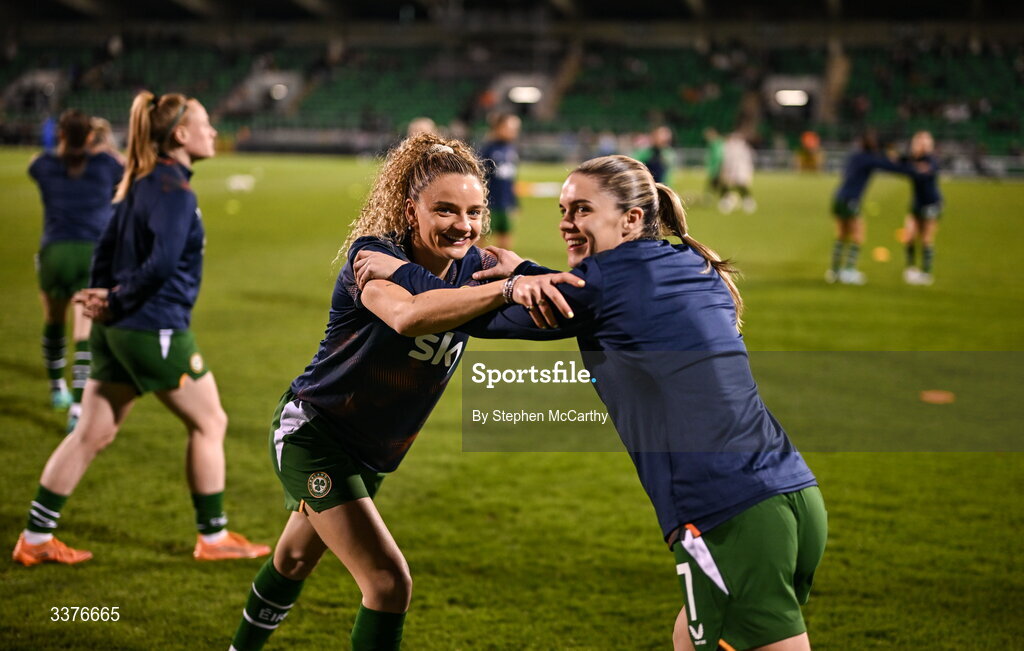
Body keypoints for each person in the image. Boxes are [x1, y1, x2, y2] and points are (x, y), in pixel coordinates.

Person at [357, 155, 826, 651]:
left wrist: (402, 271)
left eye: (582, 210)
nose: (566, 222)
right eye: (564, 209)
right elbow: (588, 293)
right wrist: (528, 272)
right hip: (791, 493)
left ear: (631, 219)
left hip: (726, 511)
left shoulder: (604, 286)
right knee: (690, 638)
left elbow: (480, 316)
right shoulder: (687, 261)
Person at [228, 133, 576, 651]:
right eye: (445, 210)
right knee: (388, 583)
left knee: (294, 560)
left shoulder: (473, 270)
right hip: (316, 433)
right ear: (411, 209)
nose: (464, 225)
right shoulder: (372, 256)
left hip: (371, 454)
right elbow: (407, 316)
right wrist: (504, 288)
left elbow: (558, 317)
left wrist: (526, 272)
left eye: (475, 211)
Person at [12, 91, 270, 567]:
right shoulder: (174, 192)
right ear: (180, 135)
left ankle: (35, 536)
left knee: (90, 432)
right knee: (210, 422)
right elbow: (163, 264)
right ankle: (213, 538)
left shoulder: (138, 182)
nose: (213, 131)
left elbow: (104, 248)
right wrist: (116, 298)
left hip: (117, 329)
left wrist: (100, 300)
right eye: (206, 122)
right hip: (154, 327)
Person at [28, 109, 123, 431]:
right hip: (91, 255)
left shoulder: (44, 165)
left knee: (53, 321)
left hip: (54, 251)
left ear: (61, 135)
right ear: (91, 137)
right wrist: (103, 143)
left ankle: (57, 389)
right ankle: (78, 410)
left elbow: (39, 162)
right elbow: (124, 166)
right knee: (84, 333)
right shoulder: (105, 165)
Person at [826, 130, 907, 285]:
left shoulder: (855, 156)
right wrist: (911, 167)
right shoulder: (868, 159)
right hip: (851, 200)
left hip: (838, 198)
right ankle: (849, 271)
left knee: (841, 235)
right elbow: (890, 166)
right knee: (858, 234)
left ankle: (834, 271)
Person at [900, 131, 943, 286]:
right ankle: (911, 269)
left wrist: (911, 167)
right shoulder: (912, 159)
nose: (922, 145)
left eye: (925, 142)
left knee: (926, 239)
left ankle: (926, 273)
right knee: (909, 236)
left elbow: (925, 172)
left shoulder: (932, 160)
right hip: (916, 203)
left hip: (931, 203)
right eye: (919, 142)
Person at [478, 112, 521, 249]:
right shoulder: (488, 150)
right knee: (481, 236)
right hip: (489, 203)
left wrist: (515, 202)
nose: (514, 132)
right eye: (511, 128)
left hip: (506, 202)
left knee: (505, 235)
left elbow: (512, 180)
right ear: (499, 127)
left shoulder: (511, 149)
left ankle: (503, 268)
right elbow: (480, 177)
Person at [718, 130, 756, 214]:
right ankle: (727, 201)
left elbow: (747, 160)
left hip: (739, 170)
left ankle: (747, 201)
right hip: (733, 170)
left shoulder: (738, 147)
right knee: (726, 185)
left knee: (740, 186)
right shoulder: (730, 147)